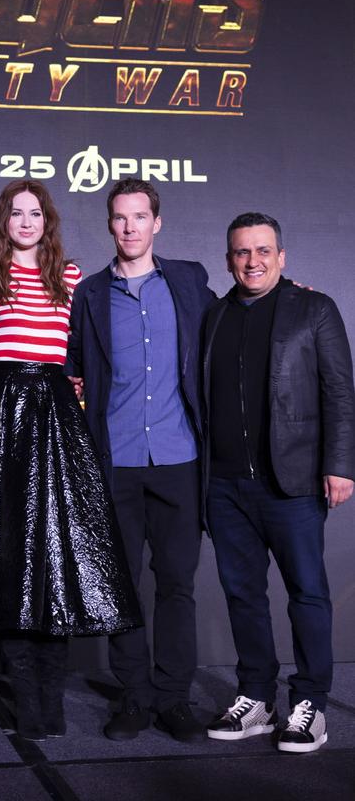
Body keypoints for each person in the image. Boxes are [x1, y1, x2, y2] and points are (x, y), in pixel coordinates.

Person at [0, 179, 140, 741]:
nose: (26, 222)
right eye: (16, 213)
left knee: (58, 554)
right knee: (6, 554)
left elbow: (83, 347)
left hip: (56, 414)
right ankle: (29, 699)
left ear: (48, 222)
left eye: (36, 213)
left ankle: (51, 695)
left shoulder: (70, 276)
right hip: (0, 415)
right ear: (3, 220)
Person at [66, 178, 215, 742]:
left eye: (139, 216)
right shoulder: (90, 294)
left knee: (176, 584)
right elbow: (74, 360)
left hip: (179, 457)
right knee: (121, 586)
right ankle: (133, 696)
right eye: (120, 217)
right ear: (110, 224)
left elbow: (229, 327)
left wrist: (286, 291)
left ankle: (173, 699)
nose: (129, 227)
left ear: (157, 223)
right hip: (117, 461)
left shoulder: (190, 280)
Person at [204, 212, 355, 753]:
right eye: (242, 252)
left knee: (307, 594)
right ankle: (257, 699)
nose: (253, 261)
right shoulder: (214, 316)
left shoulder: (314, 308)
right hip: (223, 484)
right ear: (229, 260)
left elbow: (340, 390)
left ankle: (310, 702)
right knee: (242, 594)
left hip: (291, 482)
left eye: (263, 250)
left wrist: (341, 462)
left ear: (282, 256)